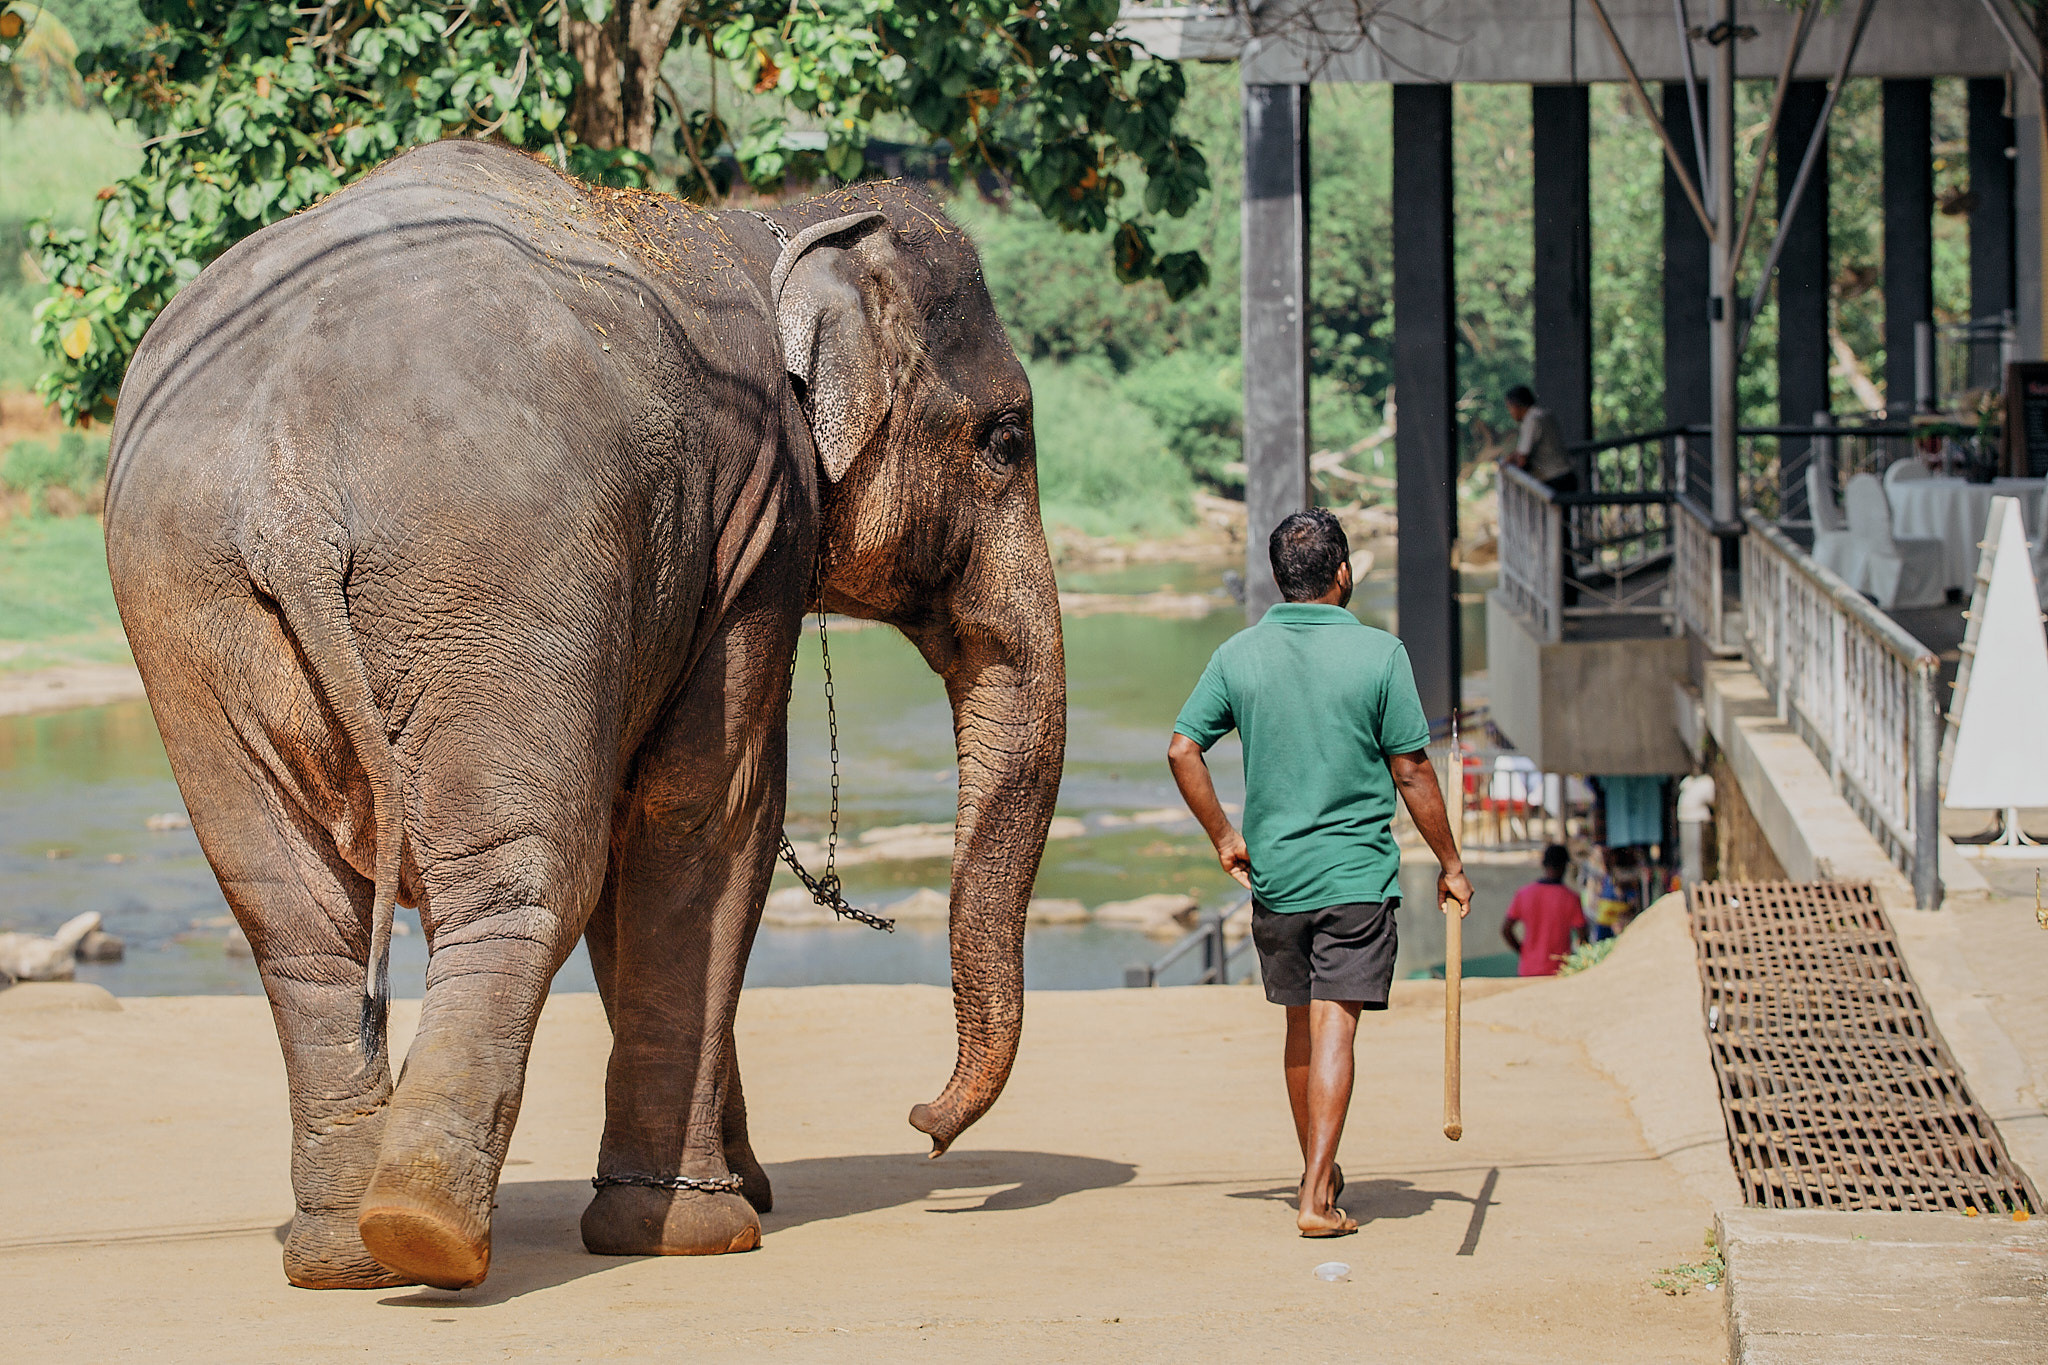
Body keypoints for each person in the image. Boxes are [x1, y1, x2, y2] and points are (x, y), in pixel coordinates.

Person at [1168, 509, 1472, 1239]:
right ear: (1343, 575)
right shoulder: (1381, 654)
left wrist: (1224, 837)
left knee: (1301, 1027)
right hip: (1353, 876)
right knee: (1338, 1024)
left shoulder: (1239, 653)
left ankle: (1319, 1168)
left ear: (1279, 578)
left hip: (1278, 876)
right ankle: (1315, 1193)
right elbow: (1412, 768)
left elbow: (1184, 749)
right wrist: (1451, 863)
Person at [1501, 844, 1589, 977]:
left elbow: (1506, 930)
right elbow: (1583, 938)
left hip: (1528, 970)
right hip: (1559, 971)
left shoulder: (1524, 894)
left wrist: (1524, 952)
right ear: (1565, 866)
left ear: (1544, 864)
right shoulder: (1571, 899)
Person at [1504, 385, 1577, 496]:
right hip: (1567, 475)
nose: (1510, 413)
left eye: (1509, 407)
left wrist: (1509, 463)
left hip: (1554, 479)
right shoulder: (1544, 414)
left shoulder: (1531, 420)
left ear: (1517, 405)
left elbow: (1522, 458)